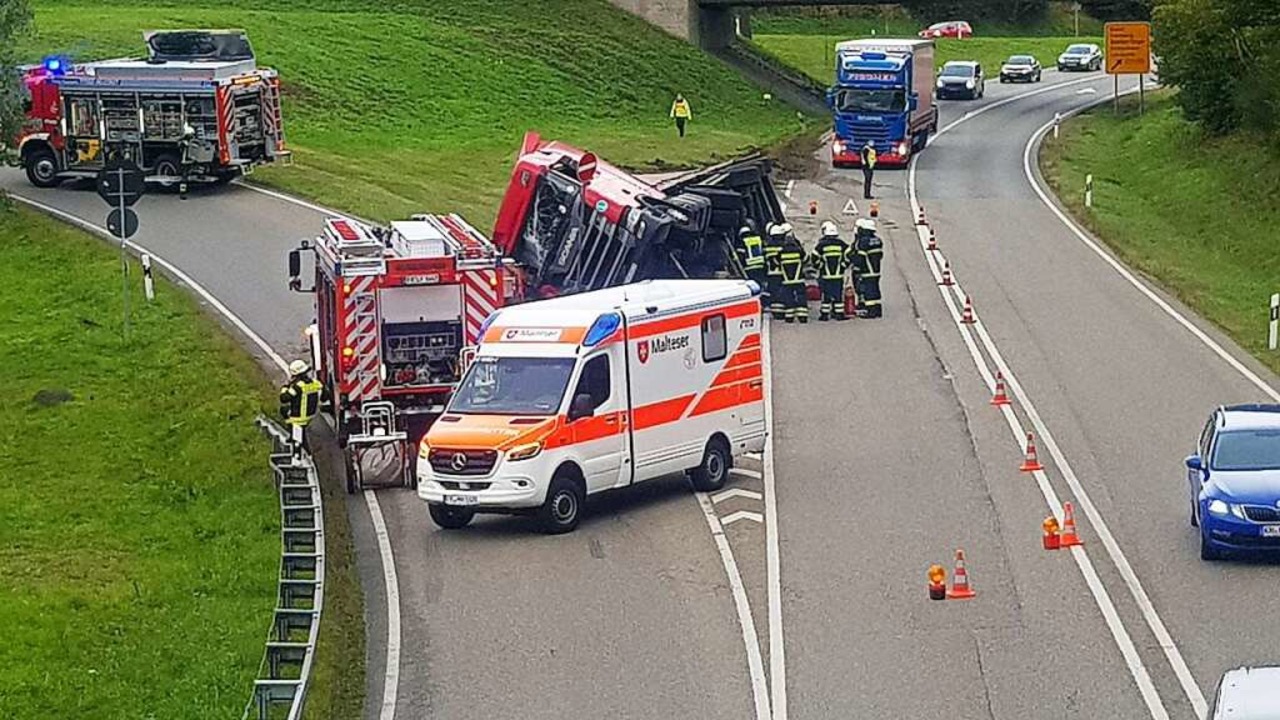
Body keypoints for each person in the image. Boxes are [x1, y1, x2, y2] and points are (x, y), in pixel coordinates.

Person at [279, 359, 323, 459]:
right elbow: (325, 395)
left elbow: (283, 398)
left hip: (298, 417)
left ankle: (300, 456)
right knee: (284, 410)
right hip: (311, 415)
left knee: (298, 439)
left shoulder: (298, 387)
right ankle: (295, 439)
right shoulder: (315, 383)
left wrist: (286, 386)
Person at [810, 221, 850, 321]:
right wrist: (844, 265)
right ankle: (839, 314)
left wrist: (820, 266)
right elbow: (850, 253)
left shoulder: (821, 245)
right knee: (838, 296)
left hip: (825, 276)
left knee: (826, 296)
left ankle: (824, 315)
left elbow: (814, 256)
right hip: (838, 275)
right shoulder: (841, 244)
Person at [848, 218, 884, 318]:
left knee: (869, 292)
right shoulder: (878, 240)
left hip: (867, 271)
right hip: (876, 270)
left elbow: (860, 257)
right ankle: (877, 310)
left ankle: (871, 312)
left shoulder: (863, 242)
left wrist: (855, 264)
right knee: (875, 290)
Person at [777, 225, 809, 324]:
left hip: (786, 281)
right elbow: (806, 259)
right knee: (801, 296)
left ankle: (789, 317)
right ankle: (802, 316)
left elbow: (776, 262)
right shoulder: (799, 251)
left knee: (788, 297)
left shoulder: (781, 252)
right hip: (799, 279)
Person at [736, 221, 767, 293]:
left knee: (754, 285)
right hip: (761, 265)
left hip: (749, 267)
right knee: (760, 282)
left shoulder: (742, 242)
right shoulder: (758, 239)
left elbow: (741, 256)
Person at [763, 222, 786, 319]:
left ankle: (776, 312)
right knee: (782, 292)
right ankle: (781, 311)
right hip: (783, 273)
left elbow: (765, 259)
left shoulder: (768, 246)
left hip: (771, 273)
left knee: (773, 292)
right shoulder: (784, 246)